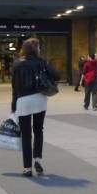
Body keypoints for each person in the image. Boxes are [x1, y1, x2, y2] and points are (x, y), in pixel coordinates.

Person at [11, 38, 59, 177]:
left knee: (26, 135)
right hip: (39, 100)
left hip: (23, 101)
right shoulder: (41, 62)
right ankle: (37, 159)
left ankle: (27, 168)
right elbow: (57, 75)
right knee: (38, 130)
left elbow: (14, 87)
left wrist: (13, 106)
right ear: (36, 49)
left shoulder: (17, 64)